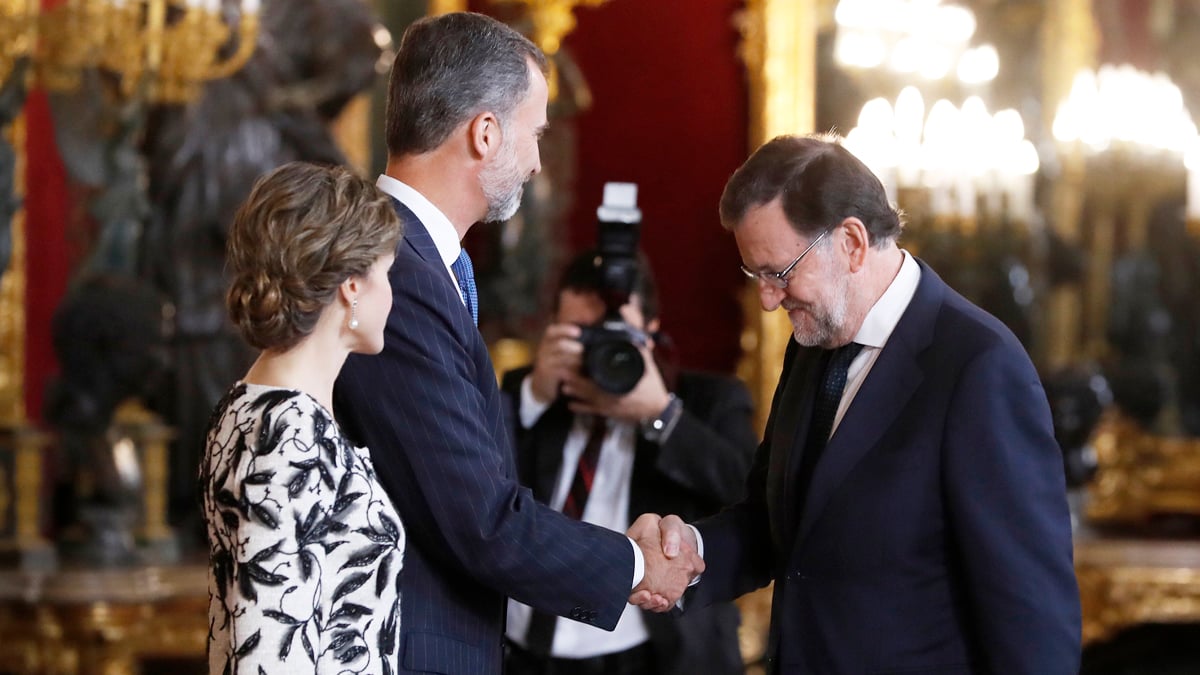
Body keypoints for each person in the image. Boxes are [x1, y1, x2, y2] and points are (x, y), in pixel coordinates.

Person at [332, 12, 701, 675]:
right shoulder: (400, 275)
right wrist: (638, 562)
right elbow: (481, 521)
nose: (535, 160)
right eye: (533, 135)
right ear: (485, 132)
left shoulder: (404, 258)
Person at [639, 134, 1082, 674]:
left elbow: (1031, 619)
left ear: (851, 242)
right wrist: (684, 552)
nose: (767, 298)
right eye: (755, 275)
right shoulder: (813, 343)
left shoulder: (978, 367)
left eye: (779, 273)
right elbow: (774, 525)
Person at [502, 250, 757, 675]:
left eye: (617, 335)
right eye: (581, 332)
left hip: (650, 651)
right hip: (522, 647)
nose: (598, 349)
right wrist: (535, 396)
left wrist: (661, 415)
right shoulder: (529, 392)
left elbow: (748, 493)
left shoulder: (707, 400)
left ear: (652, 331)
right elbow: (480, 490)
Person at [201, 162, 405, 674]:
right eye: (386, 273)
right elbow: (265, 652)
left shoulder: (253, 406)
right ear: (352, 285)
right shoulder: (288, 432)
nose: (392, 294)